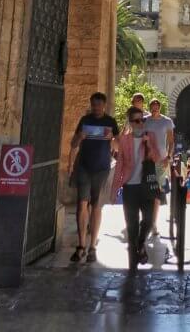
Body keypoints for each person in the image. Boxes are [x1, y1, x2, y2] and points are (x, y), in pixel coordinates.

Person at [67, 92, 119, 263]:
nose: (96, 108)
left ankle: (93, 247)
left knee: (96, 205)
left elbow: (119, 146)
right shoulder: (85, 120)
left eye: (99, 105)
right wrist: (79, 137)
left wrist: (112, 138)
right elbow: (73, 144)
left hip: (102, 168)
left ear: (104, 105)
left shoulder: (111, 122)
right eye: (94, 104)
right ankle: (81, 245)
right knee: (82, 204)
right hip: (83, 166)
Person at [112, 106, 162, 271]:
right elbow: (119, 164)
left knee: (148, 220)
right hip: (130, 187)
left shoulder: (150, 137)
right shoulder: (124, 140)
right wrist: (114, 189)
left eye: (143, 120)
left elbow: (157, 158)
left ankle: (141, 243)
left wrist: (149, 146)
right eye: (137, 121)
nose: (141, 123)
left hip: (146, 186)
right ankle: (134, 256)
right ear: (130, 123)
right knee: (131, 224)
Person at [144, 98, 174, 236]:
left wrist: (168, 157)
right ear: (150, 107)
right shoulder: (145, 121)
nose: (154, 109)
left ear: (160, 107)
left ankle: (153, 224)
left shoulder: (167, 121)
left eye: (156, 107)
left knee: (156, 193)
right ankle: (147, 221)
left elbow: (171, 141)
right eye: (152, 107)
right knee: (146, 192)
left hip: (161, 161)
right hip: (145, 160)